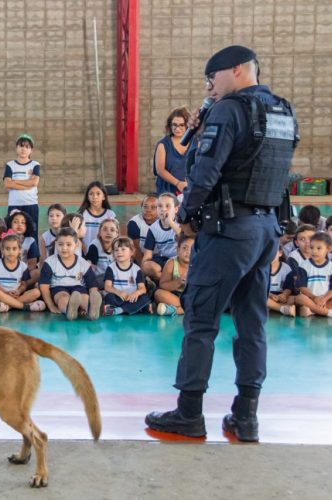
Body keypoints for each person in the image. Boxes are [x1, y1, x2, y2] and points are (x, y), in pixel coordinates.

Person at [146, 46, 299, 443]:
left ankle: (188, 413)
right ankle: (245, 417)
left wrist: (185, 216)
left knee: (200, 319)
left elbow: (205, 172)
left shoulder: (229, 110)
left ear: (237, 70)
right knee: (252, 323)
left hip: (229, 230)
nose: (209, 87)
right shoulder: (282, 111)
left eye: (212, 78)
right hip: (266, 230)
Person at [37, 227, 101, 319]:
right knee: (63, 298)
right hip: (59, 288)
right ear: (55, 244)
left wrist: (93, 294)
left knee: (84, 297)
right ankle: (69, 311)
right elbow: (44, 287)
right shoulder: (50, 262)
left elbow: (92, 285)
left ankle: (91, 310)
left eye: (68, 244)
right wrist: (51, 305)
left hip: (79, 288)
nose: (64, 248)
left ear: (76, 245)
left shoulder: (83, 263)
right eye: (60, 244)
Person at [294, 233, 332, 317]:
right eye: (311, 247)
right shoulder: (303, 266)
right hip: (309, 298)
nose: (314, 251)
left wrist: (324, 299)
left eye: (319, 248)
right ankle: (330, 313)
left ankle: (313, 311)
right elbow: (302, 287)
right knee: (299, 298)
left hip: (326, 300)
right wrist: (314, 297)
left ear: (328, 249)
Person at [0, 233, 46, 313]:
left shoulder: (23, 266)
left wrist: (19, 291)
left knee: (37, 292)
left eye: (14, 249)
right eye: (7, 249)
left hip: (16, 296)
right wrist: (6, 293)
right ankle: (25, 307)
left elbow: (24, 284)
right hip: (2, 296)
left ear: (19, 250)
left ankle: (9, 306)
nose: (11, 252)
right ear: (2, 250)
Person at [102, 236, 151, 316]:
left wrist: (136, 293)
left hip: (132, 298)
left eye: (123, 249)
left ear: (131, 252)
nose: (119, 252)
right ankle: (136, 308)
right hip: (118, 297)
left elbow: (142, 288)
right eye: (116, 250)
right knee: (109, 297)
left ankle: (119, 310)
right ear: (113, 253)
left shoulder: (137, 269)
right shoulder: (111, 268)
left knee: (144, 298)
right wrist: (119, 293)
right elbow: (107, 287)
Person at [3, 134, 40, 228]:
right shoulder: (10, 165)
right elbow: (7, 184)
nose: (23, 149)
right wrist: (27, 186)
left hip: (31, 204)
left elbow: (34, 183)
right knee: (12, 232)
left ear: (31, 150)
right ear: (16, 148)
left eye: (27, 147)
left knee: (31, 231)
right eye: (21, 146)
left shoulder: (35, 165)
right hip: (14, 204)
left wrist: (14, 181)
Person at [154, 107, 192, 196]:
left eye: (181, 125)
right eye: (174, 125)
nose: (177, 129)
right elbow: (160, 170)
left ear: (188, 125)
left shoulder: (195, 143)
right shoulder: (163, 144)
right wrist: (178, 183)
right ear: (170, 126)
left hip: (189, 190)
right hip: (166, 192)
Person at [154, 234, 195, 316]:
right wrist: (178, 282)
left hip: (192, 296)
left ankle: (175, 310)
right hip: (175, 296)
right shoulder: (171, 263)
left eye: (192, 249)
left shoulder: (198, 264)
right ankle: (189, 309)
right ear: (178, 250)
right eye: (184, 248)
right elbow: (163, 285)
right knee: (158, 293)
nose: (188, 252)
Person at [78, 181, 116, 249]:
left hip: (104, 251)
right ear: (87, 197)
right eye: (91, 194)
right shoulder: (82, 214)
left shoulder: (110, 214)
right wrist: (85, 251)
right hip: (85, 251)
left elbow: (115, 236)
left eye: (98, 194)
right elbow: (77, 237)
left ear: (103, 196)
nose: (95, 197)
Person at [127, 194, 159, 263]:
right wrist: (143, 267)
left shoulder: (165, 222)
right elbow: (136, 249)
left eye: (153, 207)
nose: (148, 210)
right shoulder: (134, 223)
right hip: (141, 257)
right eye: (145, 207)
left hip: (160, 257)